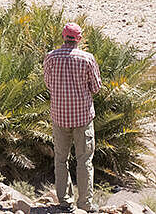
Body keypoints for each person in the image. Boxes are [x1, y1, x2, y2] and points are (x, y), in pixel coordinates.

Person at [43, 23, 102, 213]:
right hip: (83, 118)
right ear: (79, 38)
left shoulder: (51, 57)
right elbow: (96, 87)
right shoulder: (87, 58)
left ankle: (65, 202)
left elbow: (48, 84)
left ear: (63, 36)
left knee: (61, 160)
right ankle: (85, 203)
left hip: (59, 117)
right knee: (84, 161)